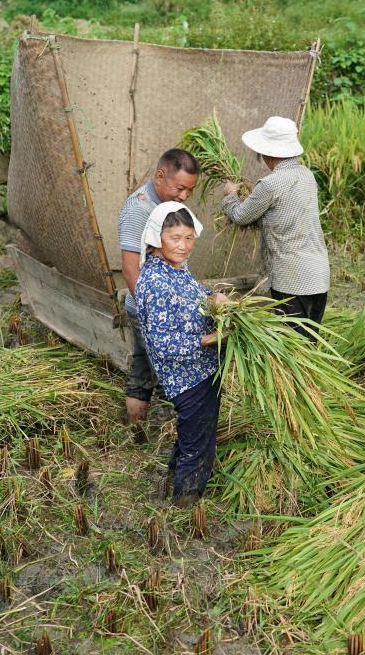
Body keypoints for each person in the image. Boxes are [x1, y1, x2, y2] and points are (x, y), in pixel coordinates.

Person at [134, 202, 227, 508]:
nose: (183, 246)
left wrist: (213, 298)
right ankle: (184, 505)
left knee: (192, 435)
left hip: (202, 371)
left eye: (189, 238)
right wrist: (206, 340)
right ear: (156, 237)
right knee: (197, 446)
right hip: (187, 377)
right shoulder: (155, 282)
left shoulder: (176, 269)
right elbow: (162, 345)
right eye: (175, 238)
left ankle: (172, 485)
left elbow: (194, 292)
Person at [117, 149, 201, 438]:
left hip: (164, 307)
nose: (184, 196)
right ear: (160, 176)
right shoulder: (139, 209)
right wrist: (153, 311)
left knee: (144, 365)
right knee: (171, 369)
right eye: (180, 188)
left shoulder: (169, 206)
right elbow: (130, 269)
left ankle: (140, 432)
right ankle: (171, 433)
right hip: (149, 308)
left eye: (190, 190)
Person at [221, 116, 329, 339]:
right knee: (310, 343)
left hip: (292, 278)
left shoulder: (270, 184)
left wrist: (231, 195)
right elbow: (283, 217)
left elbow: (241, 216)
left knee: (292, 345)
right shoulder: (307, 176)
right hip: (318, 275)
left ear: (268, 153)